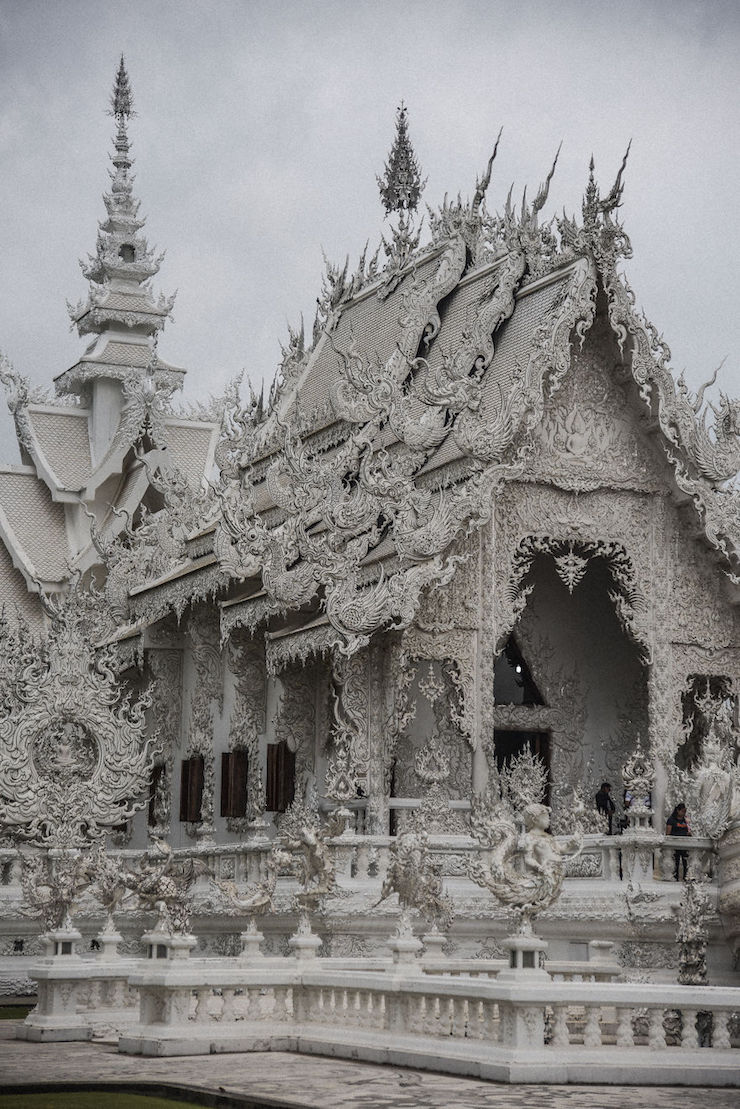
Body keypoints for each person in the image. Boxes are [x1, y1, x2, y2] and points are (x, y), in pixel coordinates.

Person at [666, 802, 691, 880]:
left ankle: (685, 877)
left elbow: (689, 829)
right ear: (678, 810)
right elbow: (668, 832)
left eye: (685, 811)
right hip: (675, 843)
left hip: (684, 843)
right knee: (676, 861)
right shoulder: (671, 820)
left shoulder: (685, 820)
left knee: (685, 861)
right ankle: (675, 876)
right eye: (682, 811)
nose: (684, 813)